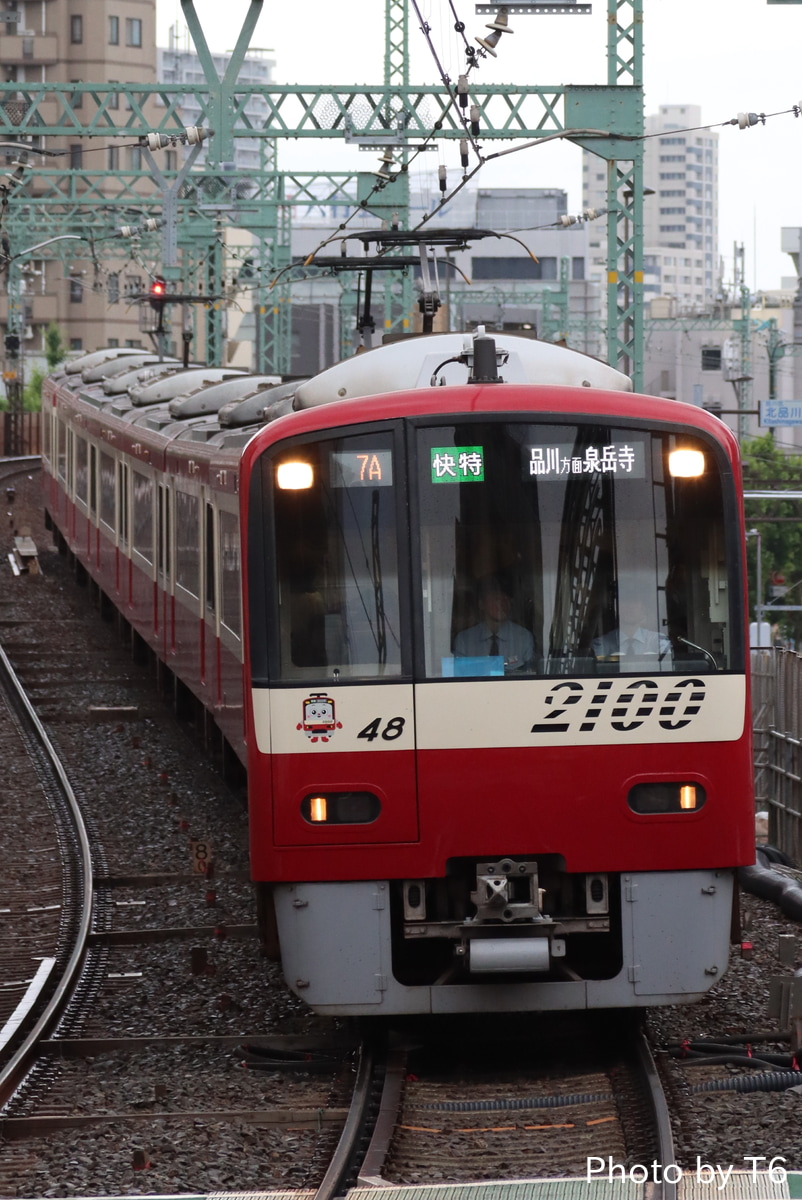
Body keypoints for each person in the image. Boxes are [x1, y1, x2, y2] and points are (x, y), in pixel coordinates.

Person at [454, 578, 535, 673]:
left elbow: (531, 673)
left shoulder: (523, 637)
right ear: (481, 604)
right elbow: (458, 676)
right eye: (496, 599)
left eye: (505, 599)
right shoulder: (465, 640)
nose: (502, 604)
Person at [592, 593, 671, 661]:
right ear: (617, 608)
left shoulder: (658, 641)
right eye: (625, 602)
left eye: (635, 602)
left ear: (643, 609)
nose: (630, 607)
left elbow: (667, 665)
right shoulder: (601, 643)